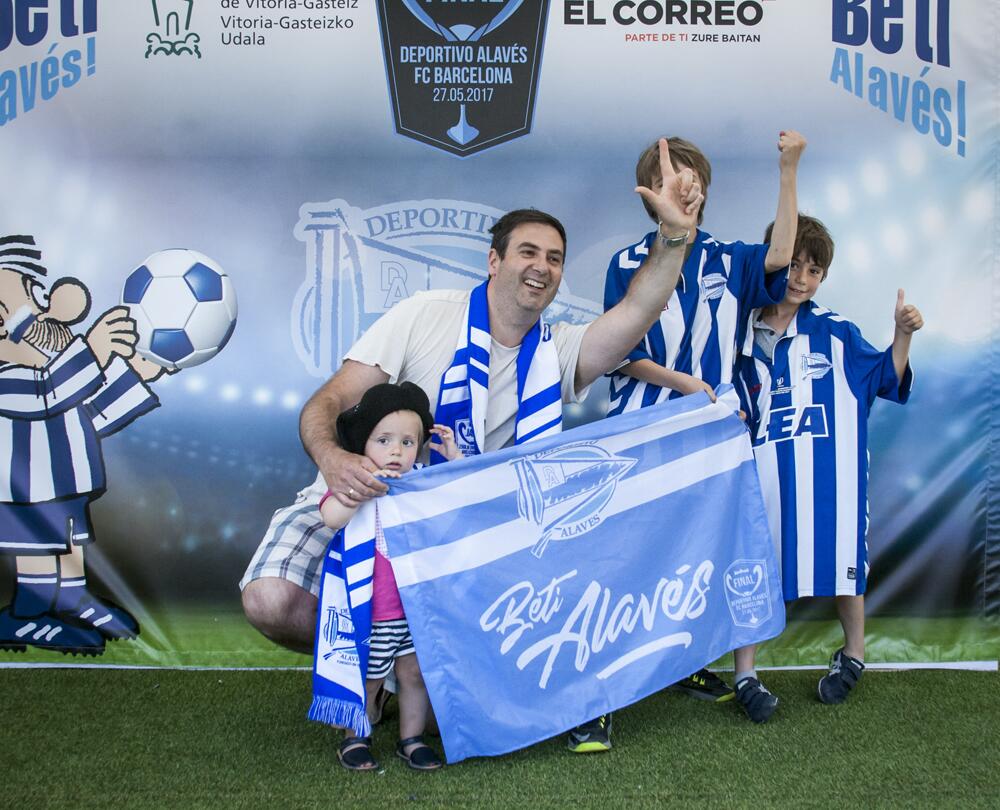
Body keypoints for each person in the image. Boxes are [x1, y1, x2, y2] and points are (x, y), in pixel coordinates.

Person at [241, 140, 703, 752]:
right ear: (494, 260)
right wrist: (334, 461)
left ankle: (415, 673)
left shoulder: (558, 349)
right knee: (271, 599)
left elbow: (638, 308)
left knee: (450, 713)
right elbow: (326, 403)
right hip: (365, 502)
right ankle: (367, 667)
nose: (541, 267)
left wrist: (674, 236)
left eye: (555, 259)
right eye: (528, 252)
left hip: (463, 527)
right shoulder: (424, 315)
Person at [597, 131, 806, 727]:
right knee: (629, 550)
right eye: (669, 176)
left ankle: (701, 662)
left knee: (707, 548)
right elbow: (616, 353)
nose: (683, 184)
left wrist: (788, 169)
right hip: (642, 425)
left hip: (713, 432)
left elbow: (781, 256)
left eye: (691, 175)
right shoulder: (628, 262)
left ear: (706, 187)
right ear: (650, 192)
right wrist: (680, 382)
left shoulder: (730, 258)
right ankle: (604, 689)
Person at [733, 214, 922, 721]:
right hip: (764, 479)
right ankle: (745, 674)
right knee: (759, 566)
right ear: (773, 260)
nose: (800, 278)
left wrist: (902, 335)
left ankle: (854, 653)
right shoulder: (738, 333)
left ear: (822, 278)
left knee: (844, 562)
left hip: (830, 481)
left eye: (813, 270)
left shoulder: (836, 333)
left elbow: (885, 377)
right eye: (792, 264)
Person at [0, 235, 164, 656]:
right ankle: (28, 615)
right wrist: (94, 350)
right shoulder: (7, 376)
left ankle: (72, 599)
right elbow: (47, 394)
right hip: (25, 491)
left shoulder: (53, 370)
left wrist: (135, 374)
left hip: (65, 482)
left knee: (71, 543)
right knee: (39, 549)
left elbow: (92, 413)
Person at [313, 382, 461, 771]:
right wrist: (359, 493)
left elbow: (456, 502)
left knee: (415, 675)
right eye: (384, 440)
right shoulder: (356, 483)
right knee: (370, 678)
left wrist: (455, 458)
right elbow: (331, 517)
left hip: (417, 610)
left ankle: (411, 740)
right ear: (363, 445)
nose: (396, 451)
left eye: (407, 442)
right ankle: (356, 737)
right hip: (374, 614)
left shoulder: (422, 483)